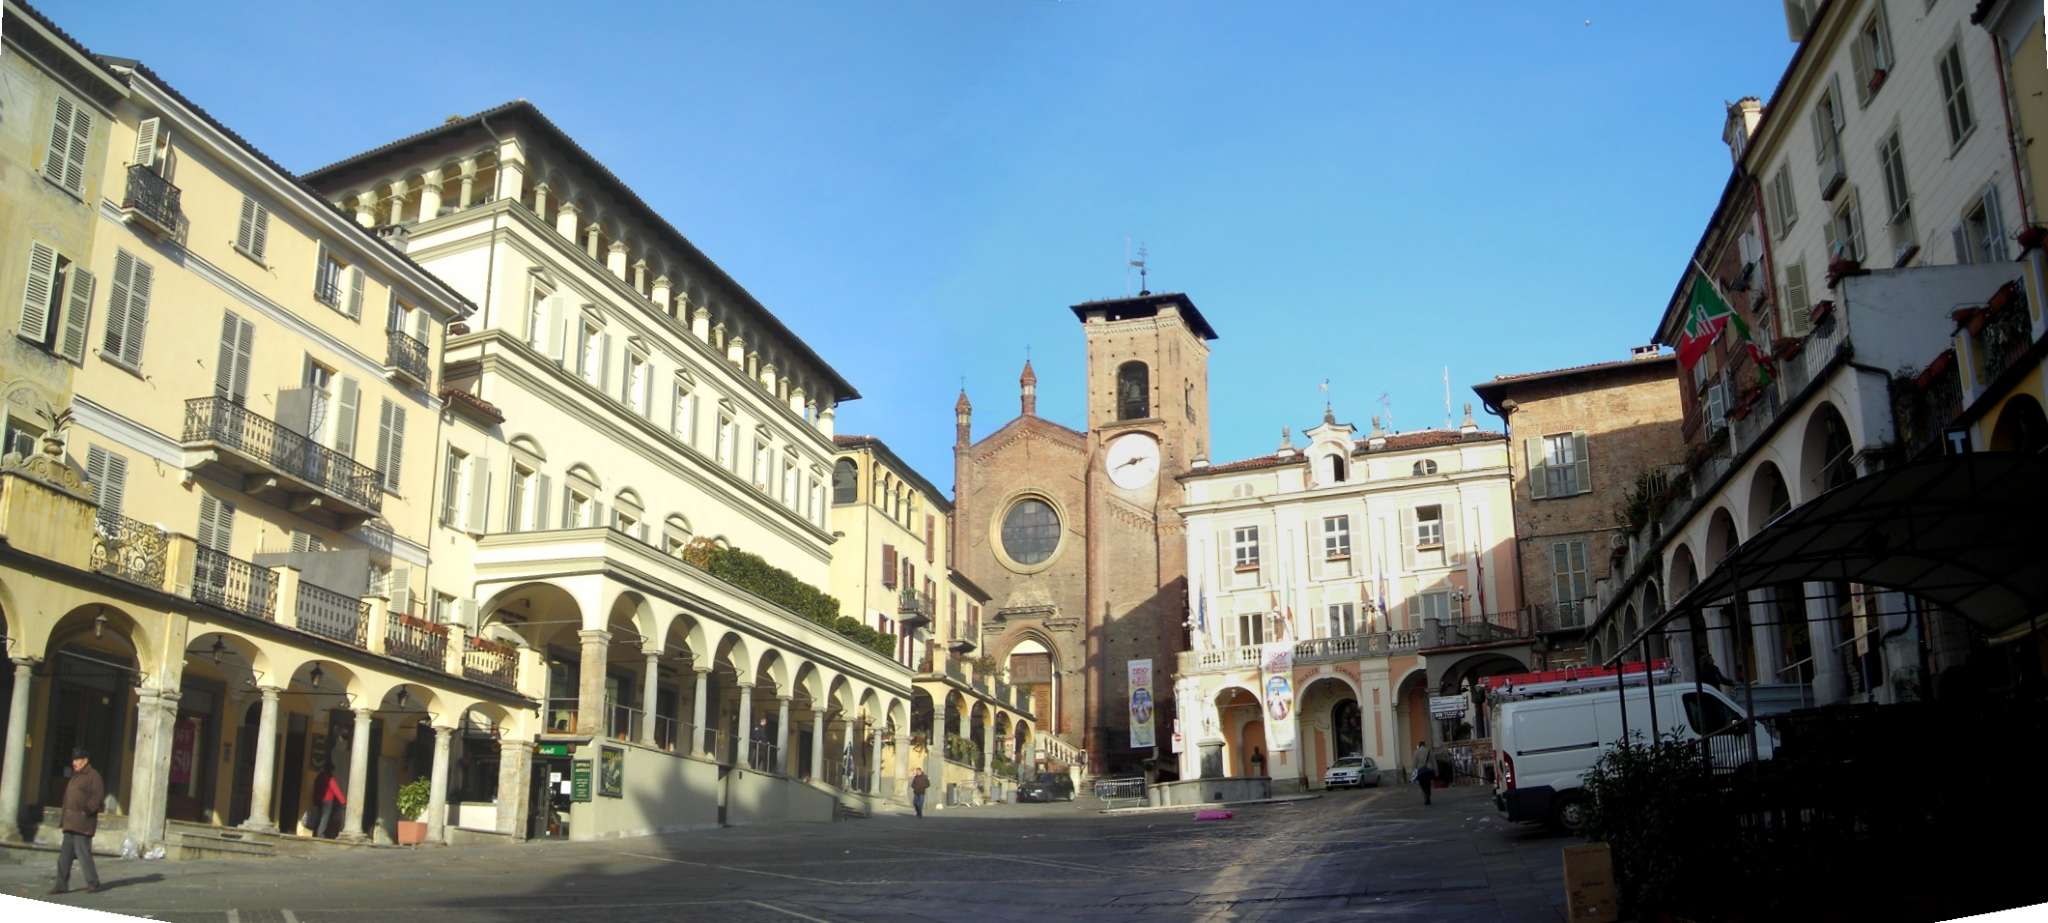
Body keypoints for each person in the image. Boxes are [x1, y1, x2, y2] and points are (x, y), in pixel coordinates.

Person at [53, 747, 104, 895]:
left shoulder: (93, 776)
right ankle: (61, 885)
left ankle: (93, 882)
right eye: (73, 760)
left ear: (85, 761)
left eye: (77, 760)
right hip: (70, 822)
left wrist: (86, 811)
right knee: (64, 856)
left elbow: (97, 797)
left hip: (83, 823)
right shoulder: (76, 776)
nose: (74, 762)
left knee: (83, 854)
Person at [312, 763, 346, 838]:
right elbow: (335, 789)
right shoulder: (330, 778)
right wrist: (343, 801)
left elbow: (315, 788)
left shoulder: (319, 777)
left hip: (319, 800)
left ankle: (316, 832)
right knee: (325, 817)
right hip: (328, 800)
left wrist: (314, 799)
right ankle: (320, 834)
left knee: (319, 816)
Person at [1411, 741, 1435, 806]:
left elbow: (1414, 764)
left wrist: (1413, 772)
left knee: (1422, 785)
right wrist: (1436, 770)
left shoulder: (1416, 752)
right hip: (1428, 770)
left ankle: (1426, 795)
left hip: (1420, 771)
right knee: (1428, 784)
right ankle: (1428, 795)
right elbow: (1433, 761)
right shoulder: (1429, 751)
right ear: (1424, 745)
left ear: (1419, 745)